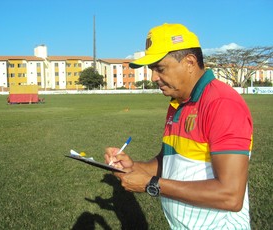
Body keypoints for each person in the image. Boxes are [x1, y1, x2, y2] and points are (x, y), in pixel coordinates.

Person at [104, 23, 253, 229]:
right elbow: (169, 162)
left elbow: (230, 196)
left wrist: (151, 184)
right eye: (152, 69)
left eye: (160, 68)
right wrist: (133, 167)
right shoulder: (178, 103)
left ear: (190, 62)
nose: (154, 77)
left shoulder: (222, 103)